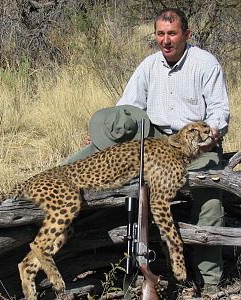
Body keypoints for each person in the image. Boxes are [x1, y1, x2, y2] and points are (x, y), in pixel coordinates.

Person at [64, 8, 229, 291]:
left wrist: (211, 134)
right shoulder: (149, 66)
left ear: (186, 35)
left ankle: (209, 281)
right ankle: (56, 181)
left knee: (210, 199)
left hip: (194, 144)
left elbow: (219, 111)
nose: (166, 40)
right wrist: (102, 135)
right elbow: (126, 109)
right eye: (161, 34)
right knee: (91, 155)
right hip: (155, 141)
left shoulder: (205, 63)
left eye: (172, 34)